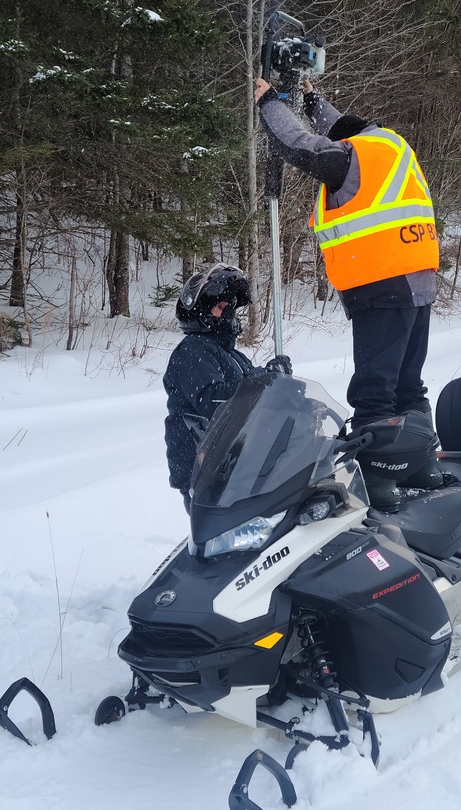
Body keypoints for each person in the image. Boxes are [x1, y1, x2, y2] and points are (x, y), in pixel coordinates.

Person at [253, 75, 442, 510]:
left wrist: (269, 103)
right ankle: (420, 465)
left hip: (382, 283)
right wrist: (311, 99)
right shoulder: (391, 146)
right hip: (417, 280)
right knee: (408, 386)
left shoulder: (354, 158)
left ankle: (378, 482)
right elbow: (337, 124)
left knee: (374, 391)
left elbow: (298, 144)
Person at [162, 264, 288, 508]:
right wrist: (266, 380)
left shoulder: (231, 355)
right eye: (219, 307)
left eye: (228, 308)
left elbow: (253, 390)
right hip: (207, 469)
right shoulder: (192, 351)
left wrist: (283, 386)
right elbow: (215, 400)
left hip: (238, 465)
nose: (227, 314)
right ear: (199, 310)